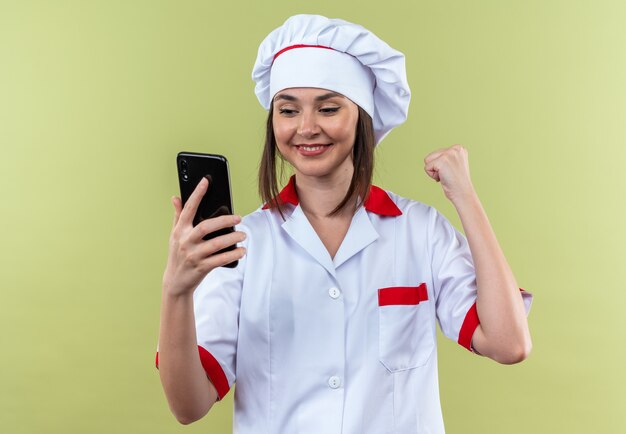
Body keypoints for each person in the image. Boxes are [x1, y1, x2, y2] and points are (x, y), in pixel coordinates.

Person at [156, 14, 533, 433]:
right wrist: (176, 290)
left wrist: (466, 196)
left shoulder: (420, 231)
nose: (307, 127)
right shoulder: (244, 243)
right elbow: (188, 405)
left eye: (329, 107)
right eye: (288, 110)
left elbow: (509, 343)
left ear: (362, 118)